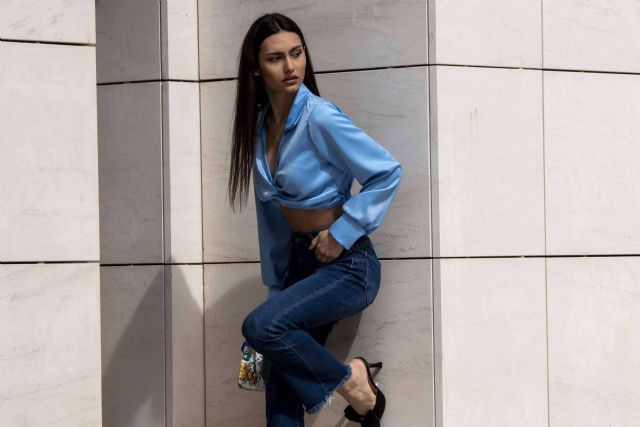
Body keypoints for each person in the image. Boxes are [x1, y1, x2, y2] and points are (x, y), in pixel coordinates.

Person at [226, 12, 403, 427]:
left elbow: (387, 172)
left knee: (259, 327)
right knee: (278, 392)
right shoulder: (259, 128)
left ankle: (353, 381)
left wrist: (342, 233)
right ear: (256, 68)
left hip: (348, 265)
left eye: (297, 53)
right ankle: (353, 385)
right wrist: (276, 288)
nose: (290, 66)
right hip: (298, 266)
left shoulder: (319, 117)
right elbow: (272, 220)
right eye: (275, 58)